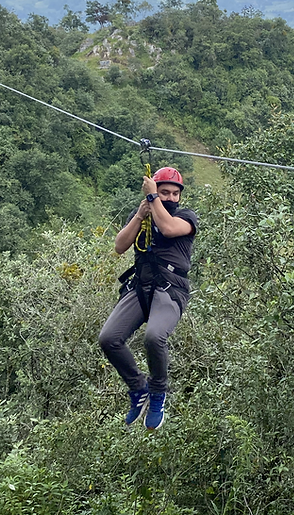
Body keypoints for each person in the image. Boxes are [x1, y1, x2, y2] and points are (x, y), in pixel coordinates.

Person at [99, 166, 198, 430]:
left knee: (154, 337)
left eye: (174, 194)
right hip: (140, 286)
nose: (170, 198)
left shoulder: (187, 217)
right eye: (165, 192)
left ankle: (157, 394)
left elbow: (167, 229)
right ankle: (138, 388)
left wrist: (153, 199)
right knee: (108, 339)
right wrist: (140, 215)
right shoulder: (143, 214)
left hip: (170, 288)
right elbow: (120, 246)